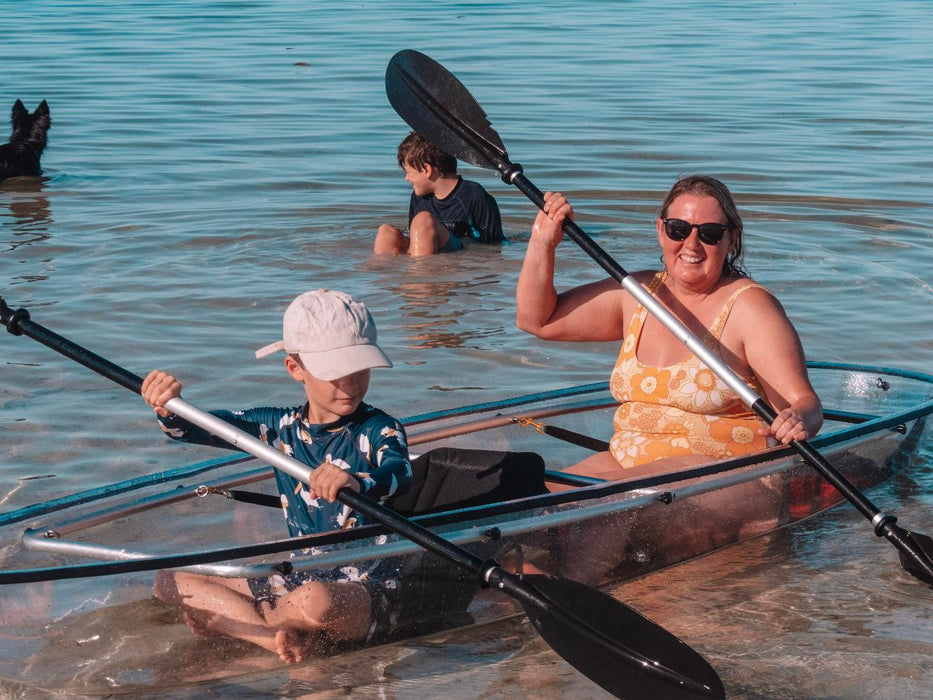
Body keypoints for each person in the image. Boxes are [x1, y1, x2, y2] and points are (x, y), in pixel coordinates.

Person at [141, 289, 413, 663]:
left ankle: (243, 623)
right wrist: (167, 407)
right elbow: (191, 429)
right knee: (170, 580)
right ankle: (275, 640)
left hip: (366, 587)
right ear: (294, 369)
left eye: (359, 370)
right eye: (335, 373)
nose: (349, 385)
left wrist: (358, 483)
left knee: (316, 600)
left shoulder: (379, 429)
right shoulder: (277, 428)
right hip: (300, 576)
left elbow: (400, 472)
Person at [516, 175, 823, 483]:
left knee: (580, 504)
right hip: (626, 461)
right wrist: (543, 243)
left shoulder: (751, 308)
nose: (691, 244)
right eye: (679, 229)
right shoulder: (636, 294)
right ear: (660, 230)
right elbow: (538, 320)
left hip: (725, 475)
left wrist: (797, 419)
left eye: (710, 234)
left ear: (732, 240)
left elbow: (806, 404)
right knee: (530, 495)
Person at [374, 131, 504, 256]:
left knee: (423, 220)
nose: (406, 178)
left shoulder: (474, 196)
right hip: (425, 252)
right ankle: (383, 274)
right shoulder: (418, 198)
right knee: (386, 232)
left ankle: (420, 273)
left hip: (459, 252)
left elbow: (493, 246)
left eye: (408, 172)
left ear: (427, 170)